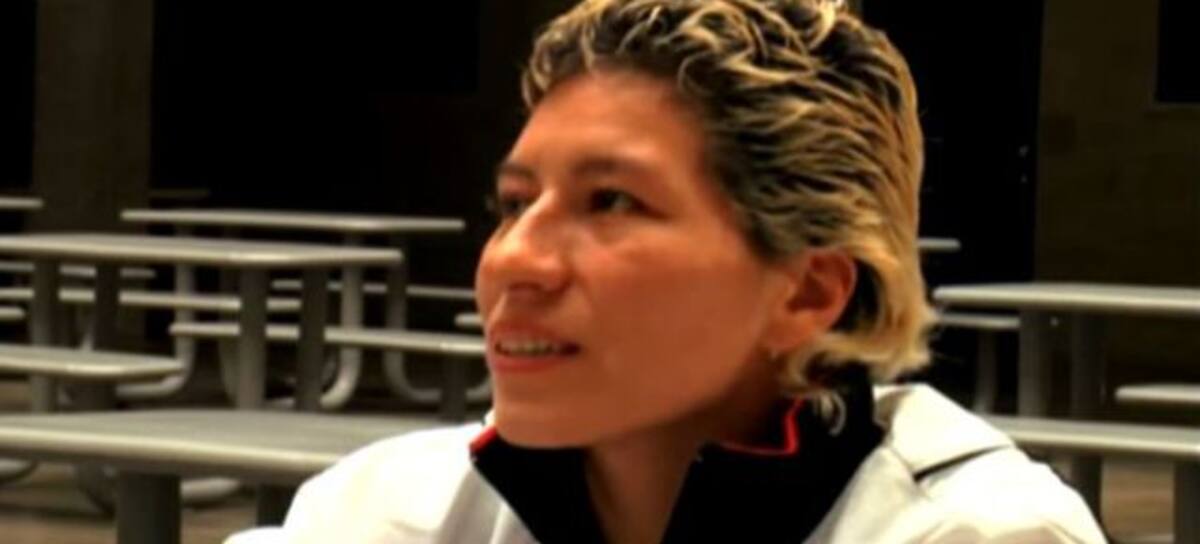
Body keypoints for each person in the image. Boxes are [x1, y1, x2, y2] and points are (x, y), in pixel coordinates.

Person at [229, 0, 1105, 542]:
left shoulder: (977, 533)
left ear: (806, 291)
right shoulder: (382, 515)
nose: (515, 260)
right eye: (515, 202)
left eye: (611, 202)